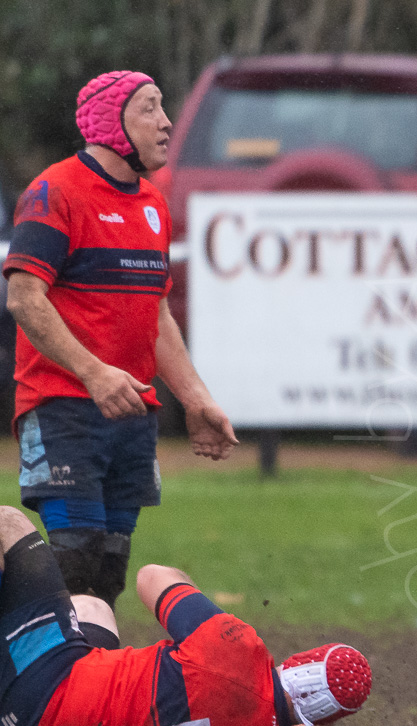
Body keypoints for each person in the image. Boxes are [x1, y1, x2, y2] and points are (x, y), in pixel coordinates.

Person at [1, 70, 237, 610]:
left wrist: (196, 398)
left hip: (131, 415)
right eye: (150, 108)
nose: (166, 121)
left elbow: (154, 315)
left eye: (162, 106)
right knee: (74, 559)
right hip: (64, 409)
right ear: (112, 124)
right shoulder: (53, 191)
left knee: (107, 568)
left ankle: (91, 684)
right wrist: (93, 371)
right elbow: (24, 299)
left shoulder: (152, 204)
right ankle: (41, 678)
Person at [0, 505, 372, 726]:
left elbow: (151, 576)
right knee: (92, 609)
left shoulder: (236, 649)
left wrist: (212, 618)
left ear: (301, 662)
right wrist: (333, 708)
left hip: (46, 698)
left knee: (9, 523)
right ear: (321, 718)